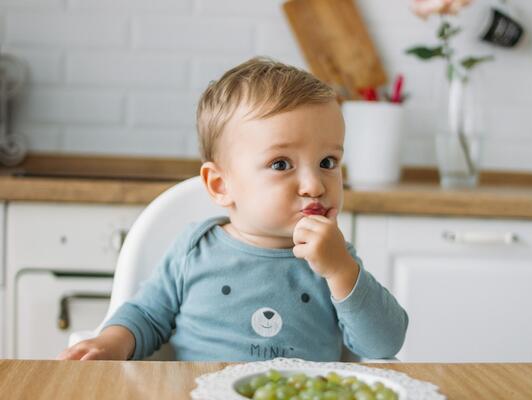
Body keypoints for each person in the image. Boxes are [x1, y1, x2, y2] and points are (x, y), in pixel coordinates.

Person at [58, 57, 408, 361]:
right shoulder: (195, 249)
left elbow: (383, 345)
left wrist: (342, 271)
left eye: (328, 161)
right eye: (282, 164)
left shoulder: (334, 260)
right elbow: (147, 315)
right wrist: (111, 343)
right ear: (220, 185)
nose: (315, 185)